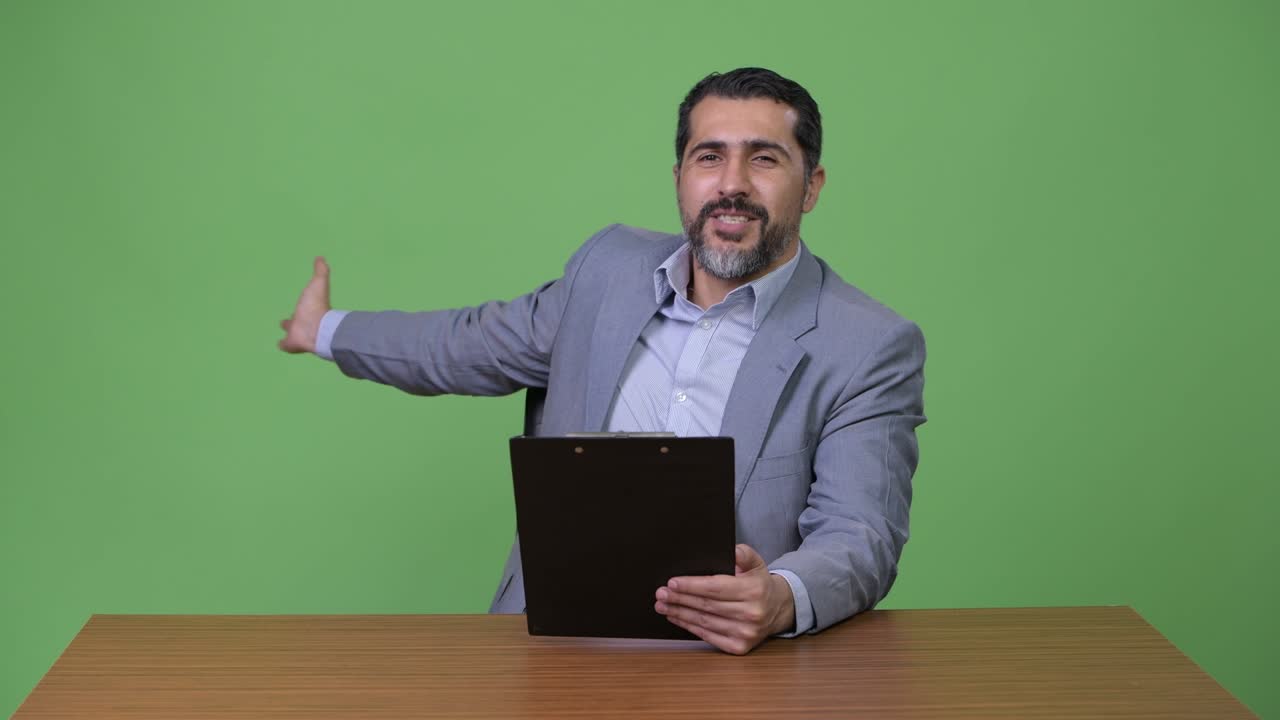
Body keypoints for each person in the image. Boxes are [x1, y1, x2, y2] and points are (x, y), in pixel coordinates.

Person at [279, 67, 926, 655]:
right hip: (554, 648)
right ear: (679, 178)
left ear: (811, 186)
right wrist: (325, 330)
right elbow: (467, 344)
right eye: (709, 157)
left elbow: (860, 533)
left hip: (729, 663)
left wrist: (780, 596)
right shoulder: (607, 273)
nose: (732, 185)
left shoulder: (866, 344)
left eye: (764, 159)